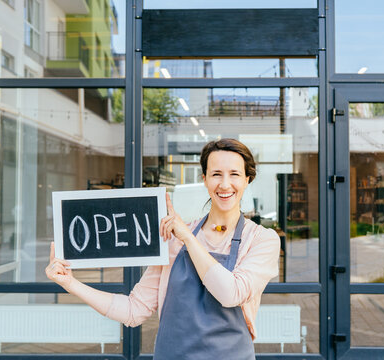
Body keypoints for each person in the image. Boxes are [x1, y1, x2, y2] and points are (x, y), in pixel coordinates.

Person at [46, 138, 280, 359]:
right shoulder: (174, 238)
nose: (225, 184)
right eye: (216, 174)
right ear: (205, 179)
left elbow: (231, 293)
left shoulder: (261, 240)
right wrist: (71, 284)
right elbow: (133, 310)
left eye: (235, 174)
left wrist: (188, 237)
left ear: (247, 180)